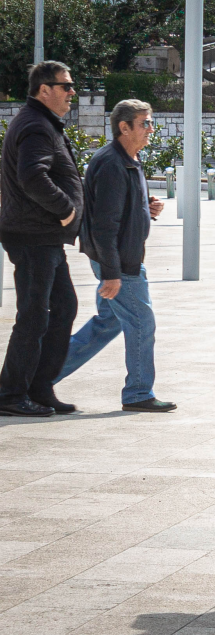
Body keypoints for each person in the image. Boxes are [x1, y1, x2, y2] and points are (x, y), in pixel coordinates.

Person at [54, 99, 172, 413]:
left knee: (107, 324)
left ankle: (39, 377)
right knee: (142, 323)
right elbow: (104, 225)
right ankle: (138, 393)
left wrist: (148, 207)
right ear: (124, 127)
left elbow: (120, 208)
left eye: (150, 122)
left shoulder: (129, 159)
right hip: (120, 261)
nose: (150, 129)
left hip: (121, 258)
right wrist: (111, 272)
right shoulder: (111, 163)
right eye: (145, 123)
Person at [0, 61, 83, 417]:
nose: (72, 92)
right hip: (33, 235)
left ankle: (38, 386)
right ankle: (10, 394)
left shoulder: (41, 122)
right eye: (66, 86)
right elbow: (33, 176)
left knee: (63, 307)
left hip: (42, 236)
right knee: (34, 316)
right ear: (44, 89)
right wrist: (66, 210)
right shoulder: (36, 125)